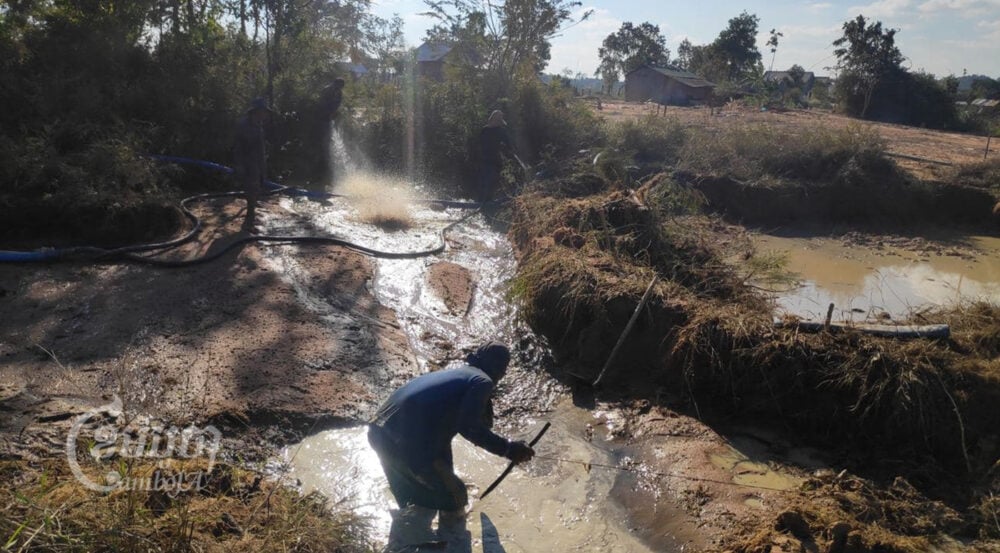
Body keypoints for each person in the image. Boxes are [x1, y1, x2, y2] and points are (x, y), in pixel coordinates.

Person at [368, 342, 534, 521]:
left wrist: (447, 472)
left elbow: (443, 435)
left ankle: (408, 538)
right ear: (500, 370)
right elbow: (469, 427)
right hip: (407, 439)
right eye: (504, 369)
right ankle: (452, 537)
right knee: (457, 498)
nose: (503, 374)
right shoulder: (482, 381)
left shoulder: (454, 373)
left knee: (410, 499)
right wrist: (509, 449)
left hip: (378, 432)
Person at [233, 97, 270, 232]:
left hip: (255, 164)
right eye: (263, 111)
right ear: (257, 111)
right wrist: (239, 165)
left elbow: (261, 150)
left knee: (255, 191)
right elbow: (238, 147)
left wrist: (263, 170)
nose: (265, 114)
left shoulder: (258, 125)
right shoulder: (243, 125)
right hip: (247, 164)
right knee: (251, 192)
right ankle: (248, 224)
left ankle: (251, 218)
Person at [477, 110, 513, 203]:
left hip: (495, 161)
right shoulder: (484, 130)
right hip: (484, 160)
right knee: (484, 182)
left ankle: (488, 203)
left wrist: (509, 150)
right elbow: (481, 144)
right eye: (497, 120)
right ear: (492, 120)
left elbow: (508, 144)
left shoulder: (501, 131)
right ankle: (481, 203)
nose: (498, 122)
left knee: (492, 181)